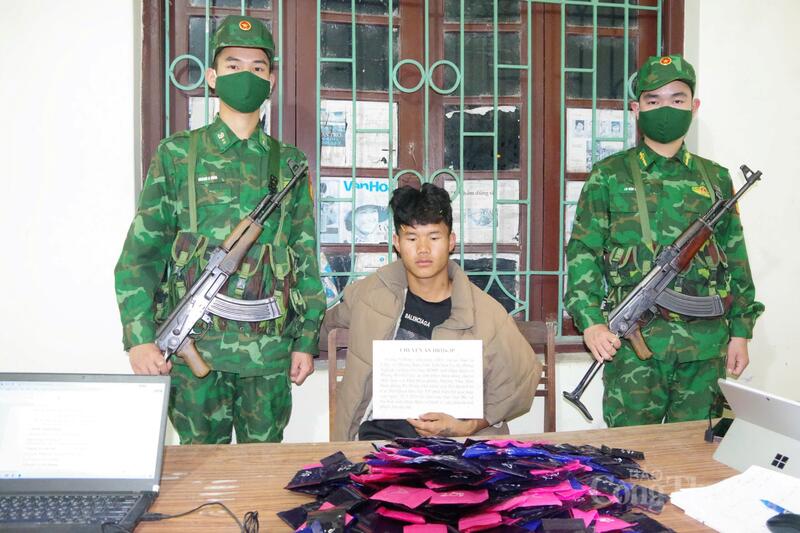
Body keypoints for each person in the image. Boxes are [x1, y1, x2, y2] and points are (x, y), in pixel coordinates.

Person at [114, 16, 325, 444]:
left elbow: (304, 257)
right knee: (199, 469)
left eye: (258, 67)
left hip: (267, 356)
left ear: (271, 81)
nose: (246, 75)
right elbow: (141, 255)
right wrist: (139, 338)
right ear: (212, 77)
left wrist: (305, 339)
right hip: (195, 348)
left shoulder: (289, 164)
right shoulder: (178, 155)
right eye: (233, 65)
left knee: (262, 470)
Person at [565, 55, 764, 427]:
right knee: (631, 452)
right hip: (634, 350)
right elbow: (583, 253)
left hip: (705, 349)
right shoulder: (609, 175)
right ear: (636, 108)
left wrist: (741, 332)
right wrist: (591, 322)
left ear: (694, 106)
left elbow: (736, 257)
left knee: (697, 450)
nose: (665, 108)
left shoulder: (716, 178)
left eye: (677, 99)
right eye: (653, 100)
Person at [322, 183, 542, 441]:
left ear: (451, 242)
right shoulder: (370, 295)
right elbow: (323, 330)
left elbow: (520, 383)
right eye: (412, 238)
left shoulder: (487, 314)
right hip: (374, 445)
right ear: (397, 242)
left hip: (453, 448)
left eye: (434, 238)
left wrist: (466, 427)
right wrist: (300, 347)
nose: (423, 249)